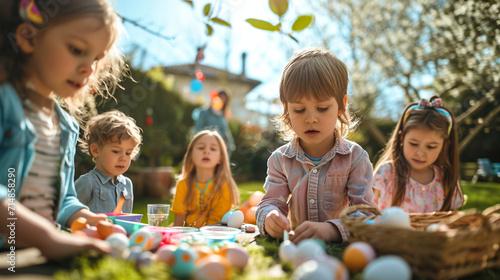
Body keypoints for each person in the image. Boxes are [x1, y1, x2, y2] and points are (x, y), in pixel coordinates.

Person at [0, 0, 127, 259]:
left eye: (96, 59)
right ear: (29, 37)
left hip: (34, 255)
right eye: (77, 49)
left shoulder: (66, 127)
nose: (88, 68)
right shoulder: (5, 105)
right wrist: (47, 238)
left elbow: (65, 198)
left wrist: (89, 219)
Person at [255, 47, 376, 244]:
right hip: (297, 250)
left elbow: (368, 215)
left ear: (341, 105)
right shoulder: (280, 160)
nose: (311, 118)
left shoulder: (355, 158)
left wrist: (332, 230)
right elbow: (269, 203)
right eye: (299, 109)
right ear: (286, 109)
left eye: (322, 108)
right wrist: (270, 218)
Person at [372, 96, 464, 213]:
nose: (420, 153)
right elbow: (368, 212)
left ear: (444, 146)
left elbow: (452, 221)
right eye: (413, 144)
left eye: (431, 146)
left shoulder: (446, 178)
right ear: (402, 138)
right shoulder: (387, 172)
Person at [75, 110, 142, 214]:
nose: (123, 158)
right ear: (95, 150)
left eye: (128, 153)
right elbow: (68, 214)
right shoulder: (87, 183)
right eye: (116, 151)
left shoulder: (127, 184)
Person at [171, 130, 239, 228]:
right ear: (191, 155)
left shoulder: (224, 185)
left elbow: (216, 222)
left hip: (213, 235)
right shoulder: (183, 184)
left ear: (220, 158)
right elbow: (179, 220)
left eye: (213, 149)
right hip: (187, 235)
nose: (206, 151)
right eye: (201, 147)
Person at [194, 90, 235, 157]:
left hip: (216, 149)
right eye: (220, 97)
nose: (221, 100)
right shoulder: (204, 113)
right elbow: (198, 129)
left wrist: (228, 145)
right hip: (204, 145)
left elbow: (225, 133)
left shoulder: (223, 118)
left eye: (224, 99)